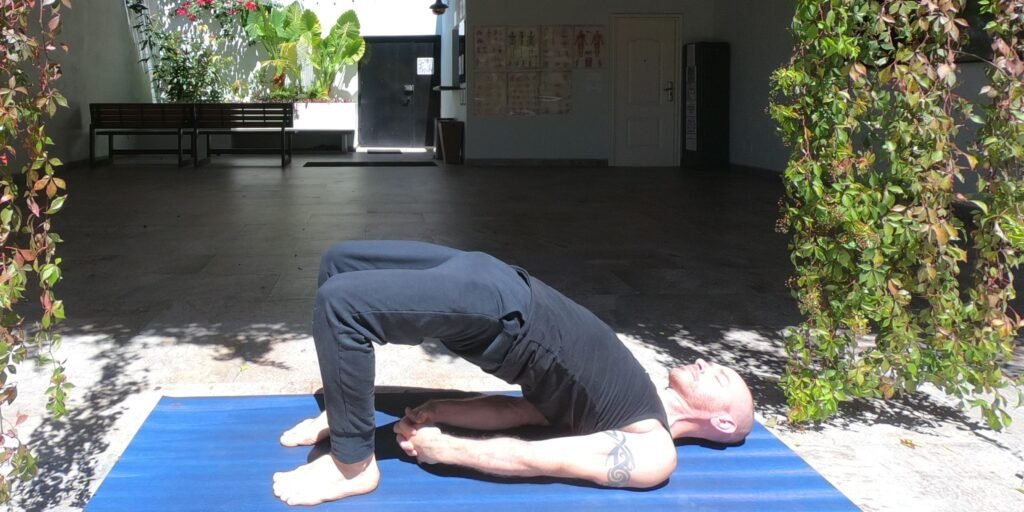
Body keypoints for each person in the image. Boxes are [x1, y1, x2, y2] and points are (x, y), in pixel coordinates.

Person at [272, 240, 754, 506]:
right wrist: (443, 410)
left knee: (341, 307)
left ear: (724, 423)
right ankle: (344, 411)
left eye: (721, 379)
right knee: (339, 261)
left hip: (503, 316)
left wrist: (449, 448)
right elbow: (522, 412)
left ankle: (352, 466)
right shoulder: (633, 400)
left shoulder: (654, 450)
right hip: (498, 277)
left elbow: (540, 458)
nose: (708, 364)